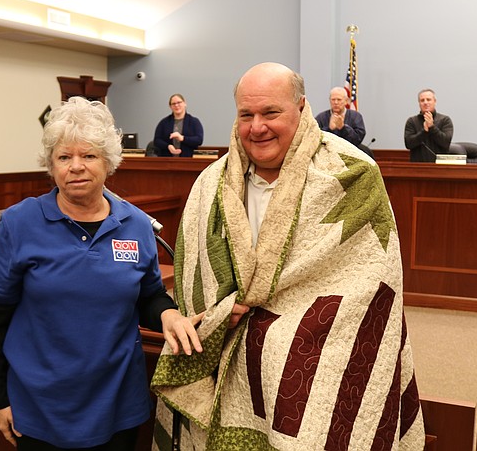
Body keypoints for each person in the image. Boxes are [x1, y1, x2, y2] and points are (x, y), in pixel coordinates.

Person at [150, 63, 424, 450]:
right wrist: (215, 316)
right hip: (223, 351)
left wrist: (278, 333)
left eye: (270, 113)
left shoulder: (351, 174)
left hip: (315, 357)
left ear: (301, 107)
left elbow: (369, 288)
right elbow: (198, 281)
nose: (256, 127)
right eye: (246, 115)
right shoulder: (210, 184)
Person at [0, 96, 202, 450]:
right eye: (64, 157)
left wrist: (169, 314)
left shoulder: (136, 225)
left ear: (109, 163)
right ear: (51, 166)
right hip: (38, 407)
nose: (76, 166)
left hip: (117, 404)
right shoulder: (18, 224)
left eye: (89, 156)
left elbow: (148, 297)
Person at [403, 88, 454, 162]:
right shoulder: (411, 121)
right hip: (417, 166)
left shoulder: (445, 120)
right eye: (422, 100)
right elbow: (409, 144)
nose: (425, 102)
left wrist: (432, 127)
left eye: (428, 99)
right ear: (419, 103)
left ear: (435, 101)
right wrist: (424, 131)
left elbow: (445, 142)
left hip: (440, 166)